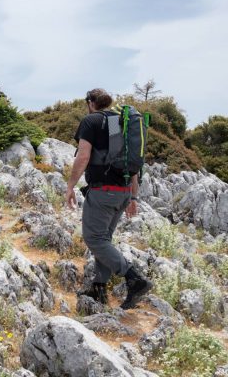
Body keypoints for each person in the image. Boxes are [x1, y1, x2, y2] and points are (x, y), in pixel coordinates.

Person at [66, 88, 152, 309]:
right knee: (104, 239)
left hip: (103, 192)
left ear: (90, 102)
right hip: (122, 192)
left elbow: (84, 155)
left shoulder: (91, 121)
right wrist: (133, 196)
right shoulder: (117, 123)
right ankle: (99, 289)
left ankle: (134, 278)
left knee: (94, 239)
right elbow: (127, 161)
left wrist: (70, 186)